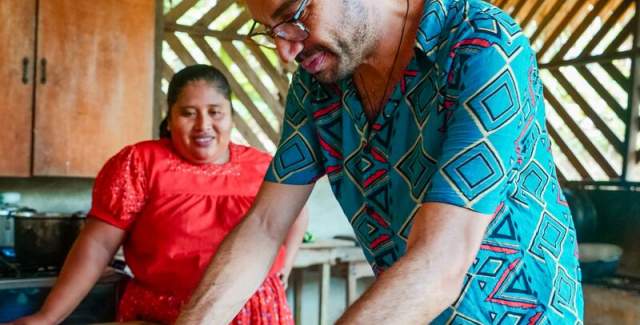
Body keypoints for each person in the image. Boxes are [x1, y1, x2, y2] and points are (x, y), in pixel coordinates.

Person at [177, 0, 584, 324]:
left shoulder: (481, 46)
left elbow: (439, 263)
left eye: (294, 17)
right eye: (272, 32)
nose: (286, 49)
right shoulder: (317, 86)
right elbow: (265, 227)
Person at [11, 64, 307, 325]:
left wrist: (285, 266)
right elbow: (98, 245)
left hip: (254, 312)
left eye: (215, 112)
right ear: (170, 118)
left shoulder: (265, 167)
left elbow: (296, 213)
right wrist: (48, 317)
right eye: (188, 113)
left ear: (231, 116)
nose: (203, 125)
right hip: (164, 315)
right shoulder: (139, 164)